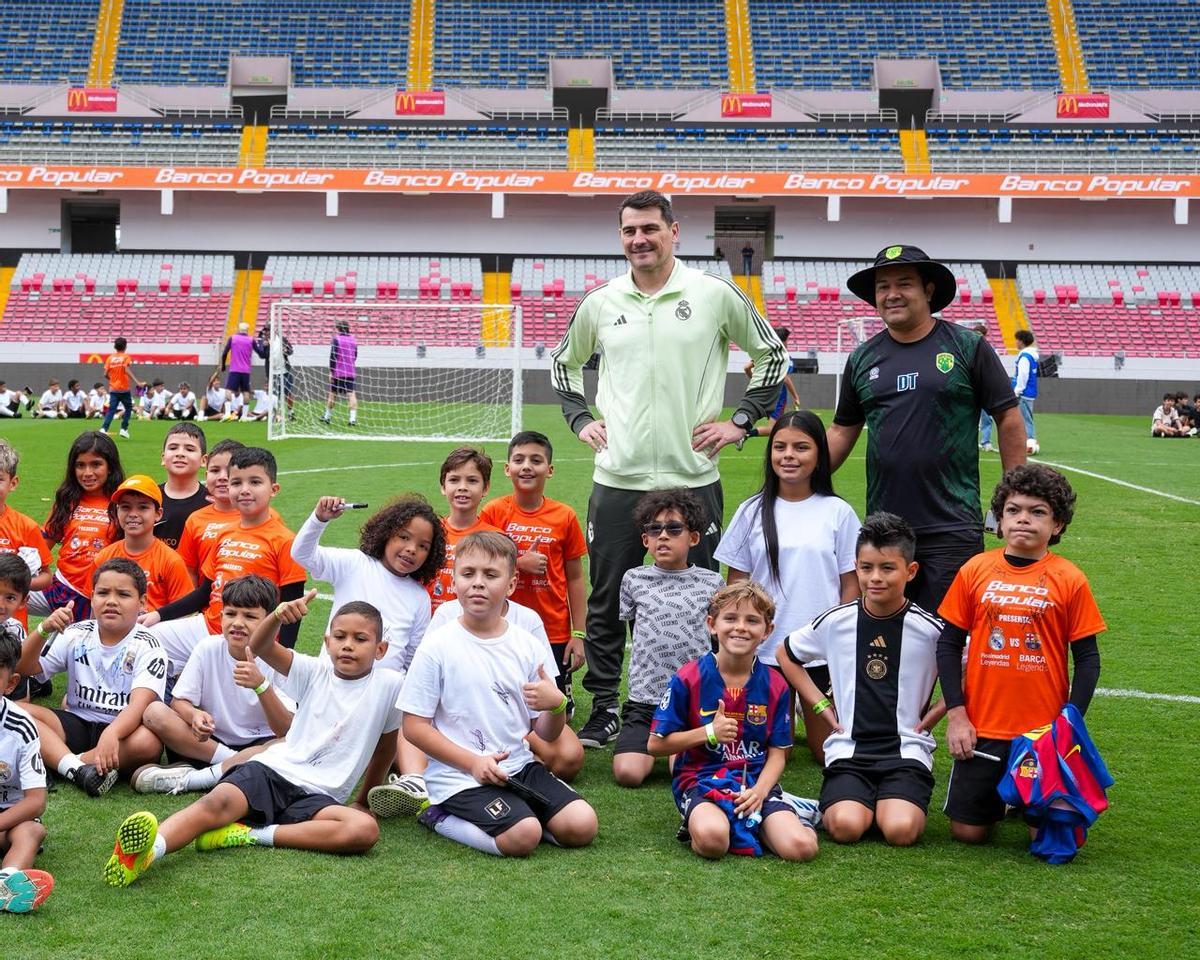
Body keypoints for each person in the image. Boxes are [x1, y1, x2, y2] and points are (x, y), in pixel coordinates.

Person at [550, 189, 787, 747]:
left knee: (699, 600)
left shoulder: (713, 294)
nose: (640, 240)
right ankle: (607, 706)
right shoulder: (601, 301)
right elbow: (563, 364)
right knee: (608, 599)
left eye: (650, 229)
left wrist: (742, 420)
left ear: (674, 232)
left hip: (692, 479)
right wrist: (581, 419)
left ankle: (698, 707)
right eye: (630, 231)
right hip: (618, 480)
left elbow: (773, 354)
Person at [102, 591, 405, 887]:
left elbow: (386, 747)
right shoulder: (313, 670)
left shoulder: (390, 685)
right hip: (272, 770)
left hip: (320, 796)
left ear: (381, 649)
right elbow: (259, 645)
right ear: (327, 643)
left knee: (364, 830)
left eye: (360, 639)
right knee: (215, 803)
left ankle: (247, 834)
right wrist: (276, 617)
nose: (348, 646)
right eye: (340, 637)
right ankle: (147, 852)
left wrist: (364, 800)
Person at [828, 244, 1025, 614]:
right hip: (885, 529)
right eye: (883, 287)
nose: (892, 294)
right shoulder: (863, 358)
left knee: (949, 640)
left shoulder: (968, 347)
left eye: (904, 283)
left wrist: (1011, 498)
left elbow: (1008, 417)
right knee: (885, 642)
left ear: (928, 290)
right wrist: (796, 484)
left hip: (951, 526)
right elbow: (841, 431)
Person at [401, 532, 598, 857]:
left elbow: (546, 734)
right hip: (459, 776)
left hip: (518, 767)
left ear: (510, 584)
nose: (477, 583)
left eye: (490, 575)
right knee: (523, 835)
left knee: (582, 825)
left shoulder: (528, 645)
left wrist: (557, 704)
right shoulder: (437, 646)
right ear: (455, 581)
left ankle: (521, 811)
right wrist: (473, 763)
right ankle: (435, 814)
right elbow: (414, 726)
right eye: (468, 574)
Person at [937, 464, 1105, 844]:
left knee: (1046, 834)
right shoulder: (976, 569)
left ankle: (1023, 795)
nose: (1023, 520)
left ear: (1057, 524)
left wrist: (1067, 725)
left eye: (1038, 512)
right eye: (1013, 510)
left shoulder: (1070, 578)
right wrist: (957, 714)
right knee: (968, 833)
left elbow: (1088, 660)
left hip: (1041, 734)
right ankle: (1004, 796)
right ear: (999, 519)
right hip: (982, 728)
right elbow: (947, 644)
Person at [780, 513, 943, 846]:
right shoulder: (837, 621)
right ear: (856, 566)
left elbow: (973, 667)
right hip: (849, 749)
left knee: (900, 831)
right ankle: (837, 806)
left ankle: (883, 803)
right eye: (866, 568)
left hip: (906, 750)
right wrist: (821, 704)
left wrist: (939, 712)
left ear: (910, 572)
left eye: (887, 568)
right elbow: (786, 655)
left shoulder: (930, 629)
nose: (875, 578)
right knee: (845, 828)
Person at [714, 411, 860, 762]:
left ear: (819, 455)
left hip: (818, 652)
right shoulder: (751, 510)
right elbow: (738, 585)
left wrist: (838, 640)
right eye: (779, 447)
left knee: (827, 750)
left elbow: (851, 585)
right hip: (763, 652)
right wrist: (742, 635)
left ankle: (805, 707)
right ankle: (782, 704)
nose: (788, 455)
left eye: (801, 447)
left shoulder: (837, 512)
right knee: (756, 749)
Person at [291, 493, 444, 811]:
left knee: (406, 713)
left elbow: (414, 654)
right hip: (335, 688)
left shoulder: (417, 597)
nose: (411, 550)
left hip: (383, 700)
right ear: (386, 532)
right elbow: (302, 555)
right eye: (404, 537)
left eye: (422, 546)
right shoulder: (354, 564)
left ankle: (406, 782)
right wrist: (319, 519)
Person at [649, 581, 819, 862]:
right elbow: (655, 745)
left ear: (767, 631)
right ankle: (707, 819)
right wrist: (708, 732)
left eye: (752, 621)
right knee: (713, 841)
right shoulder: (688, 678)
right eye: (730, 618)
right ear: (712, 625)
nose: (740, 627)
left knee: (802, 849)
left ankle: (781, 813)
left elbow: (779, 752)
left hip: (754, 783)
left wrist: (760, 792)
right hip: (701, 781)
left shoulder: (776, 684)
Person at [143, 447, 308, 677]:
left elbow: (291, 607)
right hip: (209, 627)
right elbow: (204, 592)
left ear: (274, 489)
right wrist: (159, 614)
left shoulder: (285, 541)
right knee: (146, 639)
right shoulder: (224, 534)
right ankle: (166, 694)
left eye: (255, 482)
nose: (245, 490)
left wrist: (284, 657)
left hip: (252, 640)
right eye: (237, 483)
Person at [130, 575, 293, 794]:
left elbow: (286, 729)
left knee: (286, 745)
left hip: (258, 744)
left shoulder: (282, 659)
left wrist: (261, 686)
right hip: (207, 744)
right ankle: (234, 766)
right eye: (230, 613)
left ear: (269, 622)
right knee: (154, 712)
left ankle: (200, 779)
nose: (237, 623)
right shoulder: (208, 648)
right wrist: (194, 716)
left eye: (250, 616)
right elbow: (179, 702)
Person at [18, 558, 167, 796]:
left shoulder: (149, 644)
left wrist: (113, 733)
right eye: (103, 593)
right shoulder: (77, 633)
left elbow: (139, 706)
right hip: (76, 723)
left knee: (148, 743)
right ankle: (79, 769)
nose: (111, 601)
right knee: (16, 712)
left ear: (142, 602)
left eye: (123, 595)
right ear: (92, 597)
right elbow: (25, 668)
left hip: (122, 733)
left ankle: (58, 762)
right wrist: (43, 630)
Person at [612, 489, 724, 787]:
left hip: (692, 699)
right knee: (628, 773)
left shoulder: (712, 582)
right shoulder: (633, 579)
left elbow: (717, 642)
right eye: (654, 529)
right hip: (645, 699)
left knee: (683, 771)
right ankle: (652, 740)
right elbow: (634, 628)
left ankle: (678, 741)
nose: (663, 536)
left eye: (674, 528)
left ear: (694, 538)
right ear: (645, 539)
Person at [480, 432, 588, 718]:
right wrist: (519, 561)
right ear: (507, 468)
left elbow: (576, 578)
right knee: (505, 699)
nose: (527, 466)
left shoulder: (564, 516)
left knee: (552, 710)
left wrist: (578, 633)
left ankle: (563, 689)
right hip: (502, 621)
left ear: (549, 470)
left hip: (552, 626)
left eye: (536, 460)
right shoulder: (493, 512)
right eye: (519, 460)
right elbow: (483, 562)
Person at [27, 431, 124, 622]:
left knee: (80, 649)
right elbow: (41, 547)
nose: (87, 473)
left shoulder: (122, 501)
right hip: (59, 588)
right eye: (80, 465)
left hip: (99, 596)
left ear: (110, 467)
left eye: (96, 464)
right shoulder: (67, 500)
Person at [0, 623, 54, 913]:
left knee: (32, 832)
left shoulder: (20, 726)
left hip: (10, 819)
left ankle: (6, 884)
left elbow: (35, 801)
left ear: (11, 684)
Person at [88, 476, 191, 614]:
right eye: (125, 507)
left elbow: (182, 614)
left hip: (155, 632)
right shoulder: (104, 557)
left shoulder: (171, 561)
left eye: (143, 507)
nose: (133, 514)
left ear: (158, 514)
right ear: (116, 511)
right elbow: (94, 609)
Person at [428, 447, 498, 612]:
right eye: (454, 480)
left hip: (471, 625)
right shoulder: (429, 532)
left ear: (485, 488)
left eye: (472, 480)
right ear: (443, 486)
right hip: (426, 626)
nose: (462, 487)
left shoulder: (494, 538)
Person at [175, 439, 247, 585]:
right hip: (207, 606)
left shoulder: (264, 517)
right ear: (206, 475)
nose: (222, 477)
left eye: (229, 471)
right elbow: (189, 570)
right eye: (215, 471)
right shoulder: (196, 519)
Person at [0, 441, 53, 637]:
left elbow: (46, 577)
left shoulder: (25, 527)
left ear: (12, 483)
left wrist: (21, 580)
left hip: (11, 624)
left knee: (10, 667)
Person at [156, 422, 210, 551]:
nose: (180, 453)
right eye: (173, 448)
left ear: (204, 460)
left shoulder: (212, 501)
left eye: (190, 449)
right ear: (163, 458)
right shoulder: (150, 497)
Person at [743, 327, 801, 438]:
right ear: (782, 341)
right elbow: (785, 379)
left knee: (780, 426)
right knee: (773, 429)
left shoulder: (766, 354)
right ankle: (746, 434)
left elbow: (746, 368)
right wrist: (795, 396)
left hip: (761, 392)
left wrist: (756, 381)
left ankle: (779, 445)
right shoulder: (785, 357)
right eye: (787, 340)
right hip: (778, 395)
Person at [99, 336, 143, 438]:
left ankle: (103, 428)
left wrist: (113, 380)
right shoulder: (126, 357)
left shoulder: (110, 358)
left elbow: (105, 373)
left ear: (115, 346)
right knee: (128, 408)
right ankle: (123, 429)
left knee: (111, 410)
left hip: (113, 389)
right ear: (125, 346)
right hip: (124, 389)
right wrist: (137, 382)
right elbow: (126, 369)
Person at [322, 319, 359, 426]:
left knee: (333, 394)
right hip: (350, 371)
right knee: (351, 395)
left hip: (338, 371)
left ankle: (327, 417)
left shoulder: (336, 339)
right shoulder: (353, 340)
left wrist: (331, 371)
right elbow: (355, 355)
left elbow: (333, 356)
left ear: (338, 329)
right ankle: (352, 419)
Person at [1012, 329, 1039, 454]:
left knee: (1025, 419)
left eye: (1017, 340)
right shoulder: (1032, 356)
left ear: (1021, 341)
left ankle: (1030, 443)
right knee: (1027, 418)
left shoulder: (1025, 357)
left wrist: (1018, 390)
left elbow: (1023, 375)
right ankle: (1030, 441)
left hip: (1024, 392)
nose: (1016, 343)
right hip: (1029, 392)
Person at [219, 321, 255, 412]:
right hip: (246, 371)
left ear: (239, 329)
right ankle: (244, 416)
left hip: (234, 369)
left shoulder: (233, 338)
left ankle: (227, 414)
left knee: (228, 391)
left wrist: (223, 365)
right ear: (247, 330)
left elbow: (224, 353)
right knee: (246, 392)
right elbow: (261, 354)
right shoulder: (251, 340)